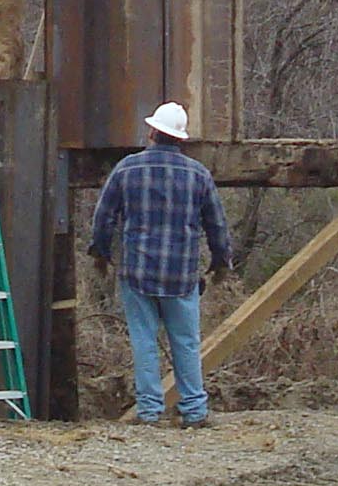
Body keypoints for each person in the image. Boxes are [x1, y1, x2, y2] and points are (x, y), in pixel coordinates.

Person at [87, 99, 234, 428]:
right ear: (181, 138)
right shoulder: (198, 174)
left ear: (152, 131)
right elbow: (216, 224)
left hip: (137, 271)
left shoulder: (127, 168)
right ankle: (195, 411)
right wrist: (221, 260)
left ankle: (150, 412)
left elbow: (103, 217)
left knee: (144, 341)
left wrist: (101, 253)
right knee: (186, 342)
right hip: (181, 274)